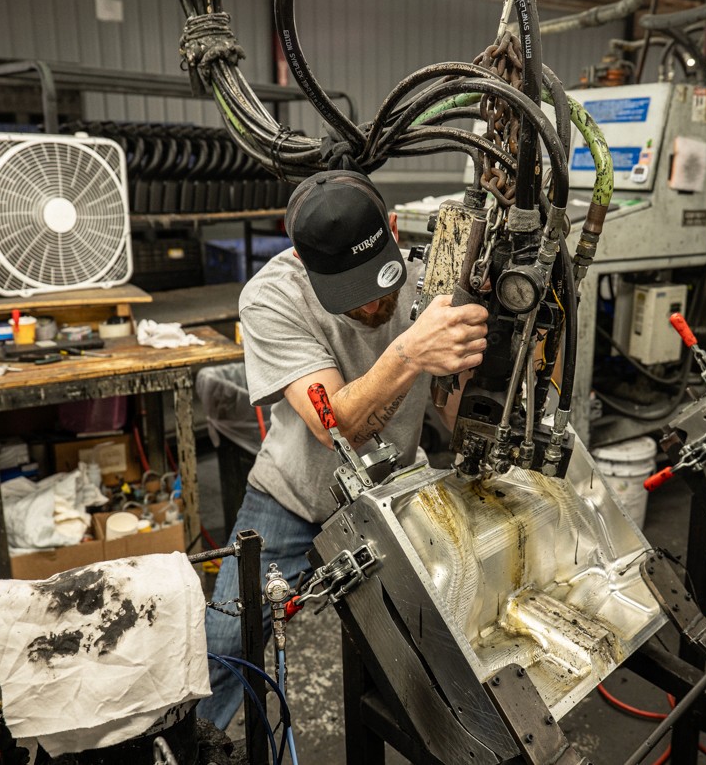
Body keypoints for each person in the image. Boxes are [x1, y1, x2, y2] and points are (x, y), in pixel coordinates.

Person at [198, 170, 489, 729]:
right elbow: (337, 428)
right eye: (354, 295)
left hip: (396, 492)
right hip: (294, 499)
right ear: (305, 264)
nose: (376, 305)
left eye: (382, 284)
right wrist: (408, 353)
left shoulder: (434, 280)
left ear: (394, 231)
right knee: (227, 645)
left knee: (444, 639)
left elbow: (453, 411)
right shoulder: (272, 296)